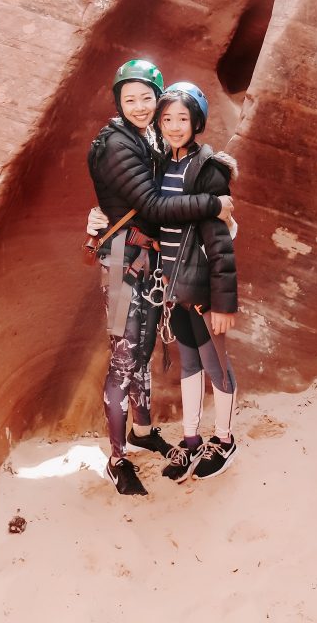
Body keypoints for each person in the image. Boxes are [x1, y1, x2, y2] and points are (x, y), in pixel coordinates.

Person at [87, 59, 234, 496]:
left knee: (145, 347)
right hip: (120, 262)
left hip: (148, 263)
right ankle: (117, 460)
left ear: (159, 96)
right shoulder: (116, 143)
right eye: (129, 98)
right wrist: (213, 204)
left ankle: (143, 430)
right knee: (123, 358)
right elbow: (150, 206)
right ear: (118, 101)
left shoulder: (148, 136)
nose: (138, 105)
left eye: (146, 97)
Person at [155, 82, 238, 483]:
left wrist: (223, 304)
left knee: (216, 366)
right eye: (167, 118)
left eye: (182, 119)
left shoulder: (208, 170)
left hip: (202, 290)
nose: (173, 126)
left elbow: (220, 244)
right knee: (189, 364)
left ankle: (224, 442)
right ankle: (190, 443)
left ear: (197, 122)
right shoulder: (161, 166)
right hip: (174, 287)